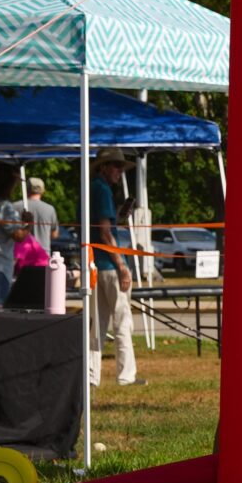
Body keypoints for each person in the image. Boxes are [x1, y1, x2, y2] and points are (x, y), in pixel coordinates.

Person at [86, 149, 138, 387]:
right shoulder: (103, 190)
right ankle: (127, 375)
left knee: (97, 324)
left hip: (93, 263)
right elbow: (106, 232)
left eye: (120, 167)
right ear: (104, 167)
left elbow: (101, 226)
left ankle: (91, 376)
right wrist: (122, 266)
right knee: (122, 320)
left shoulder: (91, 187)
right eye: (115, 166)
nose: (119, 171)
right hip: (108, 265)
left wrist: (118, 216)